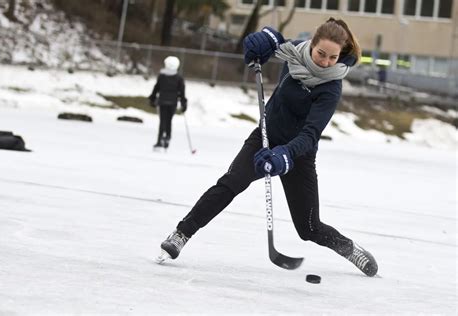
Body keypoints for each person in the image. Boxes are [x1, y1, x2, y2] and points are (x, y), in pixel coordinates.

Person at [157, 18, 378, 277]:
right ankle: (181, 233)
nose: (326, 62)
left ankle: (348, 248)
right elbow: (274, 43)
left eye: (333, 57)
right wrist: (263, 40)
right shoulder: (294, 52)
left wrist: (285, 154)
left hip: (298, 153)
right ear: (311, 45)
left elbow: (311, 134)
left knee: (308, 228)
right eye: (321, 54)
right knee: (230, 183)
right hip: (265, 137)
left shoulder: (331, 86)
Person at [148, 56, 187, 150]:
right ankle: (167, 137)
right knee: (169, 121)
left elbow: (156, 88)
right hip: (172, 103)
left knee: (163, 121)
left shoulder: (162, 76)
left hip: (163, 102)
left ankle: (160, 140)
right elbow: (182, 92)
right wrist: (183, 103)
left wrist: (152, 98)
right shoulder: (178, 78)